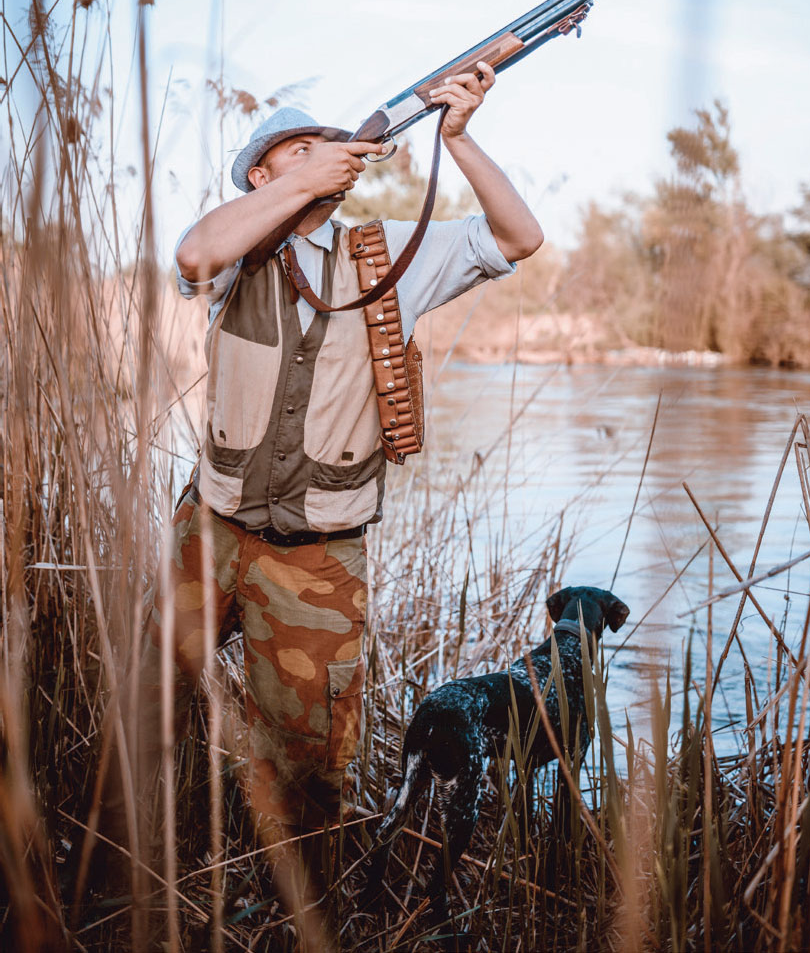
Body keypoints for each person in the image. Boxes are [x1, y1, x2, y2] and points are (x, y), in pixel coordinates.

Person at [102, 60, 542, 923]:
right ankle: (114, 860)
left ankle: (293, 914)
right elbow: (195, 251)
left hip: (319, 557)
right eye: (294, 152)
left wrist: (458, 136)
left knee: (308, 759)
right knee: (147, 692)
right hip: (212, 528)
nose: (320, 159)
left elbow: (519, 238)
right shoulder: (234, 253)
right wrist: (304, 175)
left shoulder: (390, 257)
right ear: (262, 174)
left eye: (329, 150)